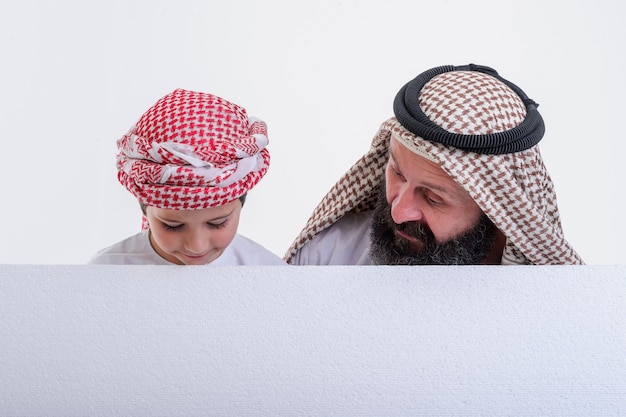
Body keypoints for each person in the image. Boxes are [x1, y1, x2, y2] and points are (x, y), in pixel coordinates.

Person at [286, 64, 583, 265]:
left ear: (498, 211)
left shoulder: (547, 314)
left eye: (433, 198)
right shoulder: (325, 259)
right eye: (398, 173)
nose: (399, 211)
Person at [90, 89, 285, 265]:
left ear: (241, 203)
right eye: (172, 226)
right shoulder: (105, 272)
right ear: (144, 207)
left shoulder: (270, 274)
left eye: (218, 223)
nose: (196, 246)